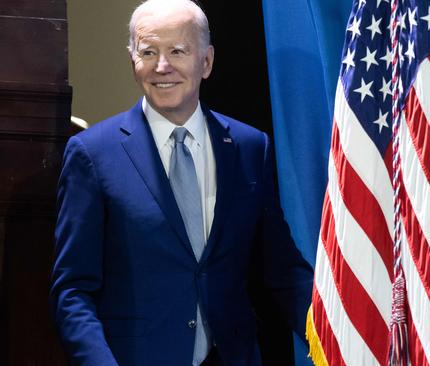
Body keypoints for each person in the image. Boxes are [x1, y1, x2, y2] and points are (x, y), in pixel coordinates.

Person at [49, 0, 313, 365]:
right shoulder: (92, 154)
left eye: (177, 50)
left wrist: (337, 336)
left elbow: (282, 270)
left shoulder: (251, 147)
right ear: (132, 60)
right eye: (148, 51)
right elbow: (73, 291)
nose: (162, 66)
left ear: (206, 61)